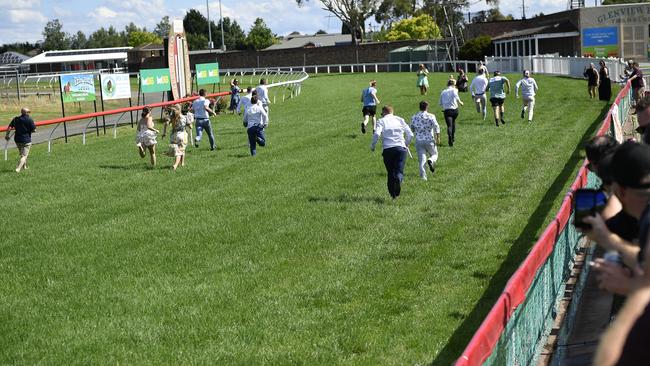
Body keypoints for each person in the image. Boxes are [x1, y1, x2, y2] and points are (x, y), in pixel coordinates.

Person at [370, 105, 413, 199]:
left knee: (390, 172)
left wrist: (372, 146)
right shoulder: (400, 119)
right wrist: (406, 143)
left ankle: (392, 194)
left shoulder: (381, 121)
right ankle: (398, 180)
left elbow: (377, 134)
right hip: (401, 149)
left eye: (381, 114)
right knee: (399, 170)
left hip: (388, 149)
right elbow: (410, 134)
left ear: (384, 112)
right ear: (392, 112)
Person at [410, 101, 440, 180]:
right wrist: (438, 136)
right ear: (427, 107)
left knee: (422, 159)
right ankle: (430, 160)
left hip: (419, 140)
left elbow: (412, 128)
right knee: (434, 154)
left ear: (419, 107)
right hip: (429, 139)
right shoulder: (431, 116)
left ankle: (423, 177)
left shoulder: (414, 116)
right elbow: (436, 126)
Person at [4, 107, 35, 173]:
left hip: (17, 140)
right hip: (26, 140)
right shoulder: (30, 120)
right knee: (24, 156)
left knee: (22, 154)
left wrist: (7, 135)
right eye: (28, 112)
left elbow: (9, 127)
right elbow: (34, 130)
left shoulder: (15, 119)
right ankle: (18, 168)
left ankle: (24, 167)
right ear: (26, 113)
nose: (29, 114)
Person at [162, 104, 191, 171]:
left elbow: (166, 124)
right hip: (182, 135)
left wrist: (164, 133)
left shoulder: (171, 117)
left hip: (173, 135)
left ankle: (182, 163)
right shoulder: (184, 117)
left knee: (179, 150)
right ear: (180, 109)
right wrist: (190, 126)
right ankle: (175, 165)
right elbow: (189, 125)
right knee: (180, 151)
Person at [439, 79, 464, 146]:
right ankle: (452, 137)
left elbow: (440, 103)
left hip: (447, 111)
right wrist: (460, 102)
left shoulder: (443, 92)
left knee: (449, 126)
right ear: (453, 84)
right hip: (455, 110)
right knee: (453, 123)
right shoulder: (455, 90)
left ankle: (450, 138)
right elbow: (456, 96)